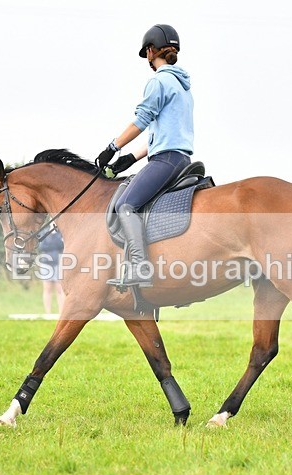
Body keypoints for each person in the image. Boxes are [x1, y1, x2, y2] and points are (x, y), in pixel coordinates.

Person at [95, 24, 194, 289]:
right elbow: (166, 134)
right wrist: (130, 158)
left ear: (151, 51)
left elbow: (141, 121)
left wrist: (112, 147)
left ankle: (139, 267)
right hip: (180, 159)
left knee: (125, 205)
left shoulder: (158, 81)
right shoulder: (183, 86)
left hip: (166, 160)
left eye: (146, 53)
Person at [36, 226, 66, 314]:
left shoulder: (61, 233)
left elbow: (61, 245)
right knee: (47, 289)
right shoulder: (44, 232)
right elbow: (42, 247)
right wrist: (52, 240)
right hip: (46, 264)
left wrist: (52, 241)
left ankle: (61, 312)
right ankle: (48, 312)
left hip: (58, 263)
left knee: (59, 289)